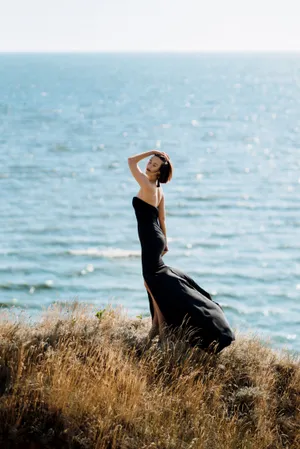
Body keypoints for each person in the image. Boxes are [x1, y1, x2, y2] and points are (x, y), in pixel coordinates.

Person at [128, 150, 235, 353]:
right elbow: (163, 220)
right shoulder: (158, 191)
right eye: (150, 161)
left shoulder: (147, 185)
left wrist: (152, 151)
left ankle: (160, 330)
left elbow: (131, 161)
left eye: (154, 164)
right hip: (156, 238)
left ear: (160, 172)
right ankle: (156, 327)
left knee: (151, 282)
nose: (149, 164)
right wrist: (165, 242)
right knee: (151, 283)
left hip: (150, 240)